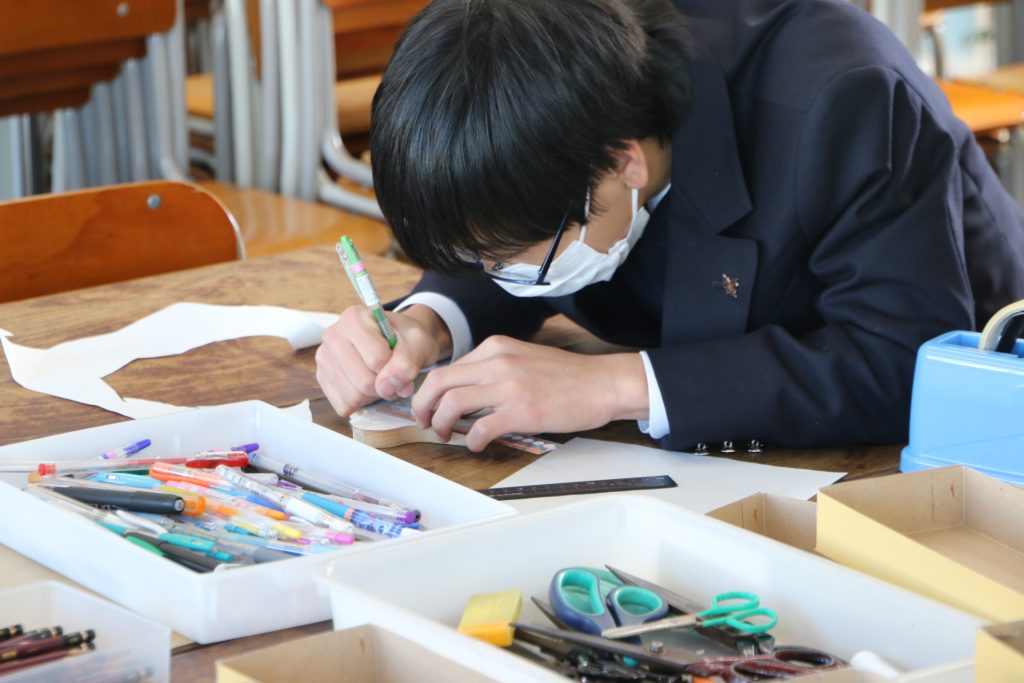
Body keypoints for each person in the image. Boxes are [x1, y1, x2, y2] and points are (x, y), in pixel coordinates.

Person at [315, 0, 1024, 453]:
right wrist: (427, 323)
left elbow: (901, 363)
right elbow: (512, 212)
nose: (493, 270)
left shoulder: (841, 101)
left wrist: (613, 384)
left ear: (624, 163)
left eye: (504, 256)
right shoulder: (568, 96)